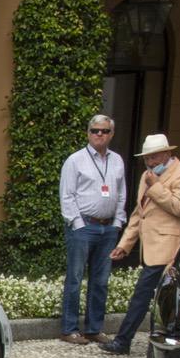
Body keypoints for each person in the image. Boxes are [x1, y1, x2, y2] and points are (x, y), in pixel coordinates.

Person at [101, 134, 180, 356]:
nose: (150, 162)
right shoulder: (147, 176)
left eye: (154, 157)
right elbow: (139, 213)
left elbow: (179, 207)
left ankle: (124, 341)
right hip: (151, 247)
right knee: (151, 297)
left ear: (167, 154)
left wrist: (155, 186)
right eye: (146, 158)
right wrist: (125, 244)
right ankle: (131, 342)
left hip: (170, 246)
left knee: (146, 296)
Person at [57, 114, 127, 344]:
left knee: (101, 281)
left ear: (111, 134)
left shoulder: (117, 160)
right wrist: (77, 224)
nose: (99, 134)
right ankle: (69, 329)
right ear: (88, 133)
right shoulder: (75, 160)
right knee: (75, 278)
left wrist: (117, 223)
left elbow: (121, 193)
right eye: (95, 130)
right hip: (84, 226)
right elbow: (67, 195)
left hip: (108, 228)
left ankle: (94, 328)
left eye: (104, 131)